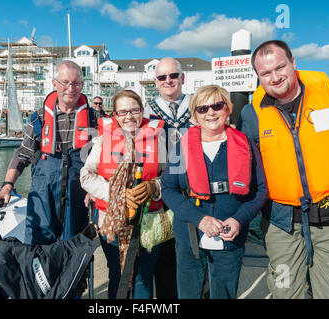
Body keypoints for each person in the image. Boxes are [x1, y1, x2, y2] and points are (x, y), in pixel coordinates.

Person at [237, 40, 329, 299]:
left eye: (280, 67)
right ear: (258, 77)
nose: (275, 77)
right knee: (284, 292)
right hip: (283, 223)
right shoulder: (252, 114)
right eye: (265, 73)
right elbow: (242, 164)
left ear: (293, 63)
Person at [161, 84, 268, 299]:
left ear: (227, 109)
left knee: (224, 294)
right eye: (202, 108)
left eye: (217, 106)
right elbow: (168, 189)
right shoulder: (181, 147)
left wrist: (240, 219)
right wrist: (199, 219)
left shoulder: (245, 144)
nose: (210, 112)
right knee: (188, 294)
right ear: (195, 115)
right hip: (190, 235)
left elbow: (261, 190)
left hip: (231, 237)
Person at [0, 60, 98, 245]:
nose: (71, 88)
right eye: (65, 82)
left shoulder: (95, 119)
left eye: (76, 83)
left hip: (79, 196)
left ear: (82, 85)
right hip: (43, 195)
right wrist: (7, 186)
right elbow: (22, 154)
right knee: (38, 250)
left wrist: (97, 190)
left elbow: (106, 159)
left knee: (74, 251)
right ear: (54, 83)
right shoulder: (40, 117)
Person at [80, 89, 166, 299]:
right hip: (111, 220)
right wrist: (117, 194)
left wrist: (152, 188)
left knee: (144, 276)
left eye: (134, 110)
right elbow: (86, 176)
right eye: (122, 112)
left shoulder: (158, 139)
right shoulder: (102, 141)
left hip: (149, 221)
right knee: (117, 274)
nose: (129, 116)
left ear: (142, 111)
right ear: (114, 115)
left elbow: (169, 178)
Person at [143, 57, 193, 299]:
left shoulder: (200, 106)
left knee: (194, 254)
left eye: (173, 75)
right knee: (162, 253)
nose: (168, 80)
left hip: (194, 190)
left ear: (182, 78)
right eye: (162, 77)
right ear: (155, 82)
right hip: (160, 190)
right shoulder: (145, 111)